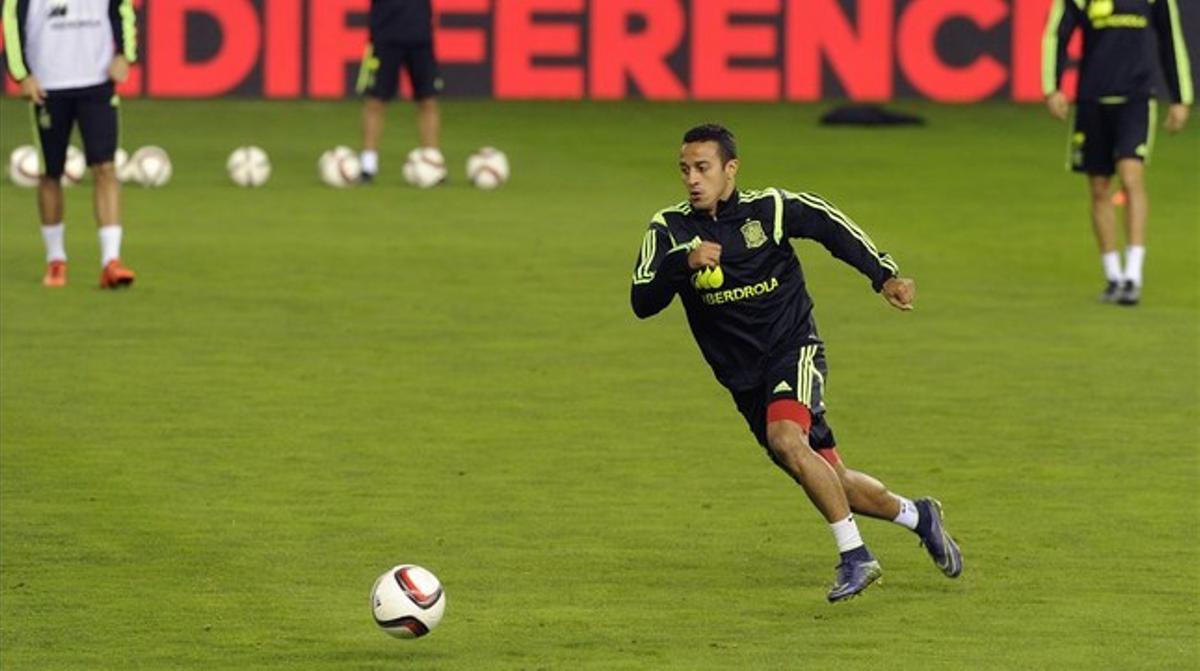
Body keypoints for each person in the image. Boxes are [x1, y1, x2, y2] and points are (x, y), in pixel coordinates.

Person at [630, 124, 962, 603]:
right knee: (829, 479)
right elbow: (642, 300)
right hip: (744, 381)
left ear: (730, 169)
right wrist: (682, 263)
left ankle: (856, 557)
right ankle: (919, 516)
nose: (693, 180)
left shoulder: (771, 210)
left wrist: (883, 275)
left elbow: (830, 225)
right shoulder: (670, 230)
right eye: (685, 170)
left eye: (703, 168)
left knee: (786, 439)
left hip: (793, 347)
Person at [1042, 0, 1192, 306]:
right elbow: (1056, 34)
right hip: (1092, 99)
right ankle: (1113, 276)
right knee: (1099, 188)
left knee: (1131, 175)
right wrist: (1052, 86)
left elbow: (1170, 38)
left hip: (1136, 99)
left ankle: (1133, 275)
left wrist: (1180, 97)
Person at [4, 0, 138, 288]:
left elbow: (123, 8)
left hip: (97, 81)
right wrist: (21, 74)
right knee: (51, 173)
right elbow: (11, 18)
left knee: (105, 167)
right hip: (48, 86)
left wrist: (126, 55)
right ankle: (56, 260)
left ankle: (111, 261)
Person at [356, 0, 443, 183]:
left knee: (428, 100)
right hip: (384, 35)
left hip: (420, 36)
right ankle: (368, 166)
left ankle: (432, 162)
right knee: (375, 101)